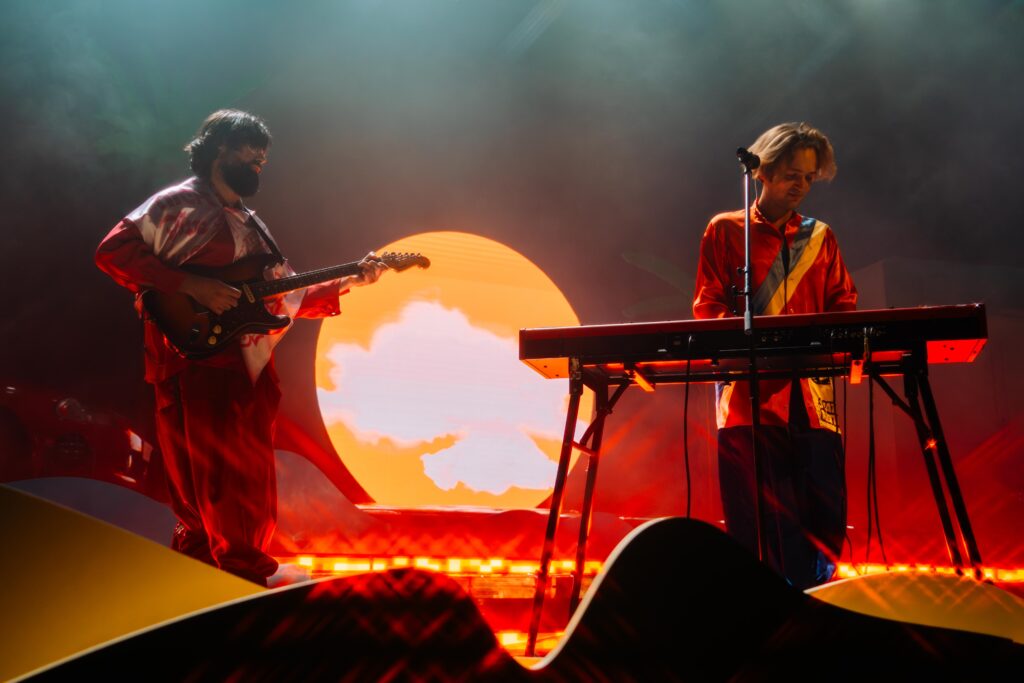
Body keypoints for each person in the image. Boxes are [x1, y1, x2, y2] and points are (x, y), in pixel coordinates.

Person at [96, 109, 387, 585]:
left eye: (262, 155)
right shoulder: (175, 205)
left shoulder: (251, 224)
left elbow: (282, 296)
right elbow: (112, 252)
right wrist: (190, 285)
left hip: (235, 362)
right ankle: (236, 577)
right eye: (249, 150)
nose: (259, 160)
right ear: (217, 149)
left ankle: (205, 578)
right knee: (214, 480)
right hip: (192, 359)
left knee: (222, 479)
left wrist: (350, 280)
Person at [692, 122, 857, 589]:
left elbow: (844, 303)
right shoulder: (726, 230)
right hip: (748, 402)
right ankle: (762, 614)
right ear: (762, 172)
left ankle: (816, 608)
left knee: (823, 517)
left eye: (808, 177)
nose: (800, 185)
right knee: (757, 523)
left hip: (813, 401)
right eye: (791, 175)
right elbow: (707, 306)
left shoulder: (821, 236)